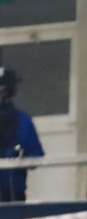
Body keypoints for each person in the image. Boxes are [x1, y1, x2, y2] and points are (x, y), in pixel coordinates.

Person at [0, 67, 45, 203]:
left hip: (11, 194)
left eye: (3, 87)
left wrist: (18, 156)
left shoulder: (22, 120)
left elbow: (36, 156)